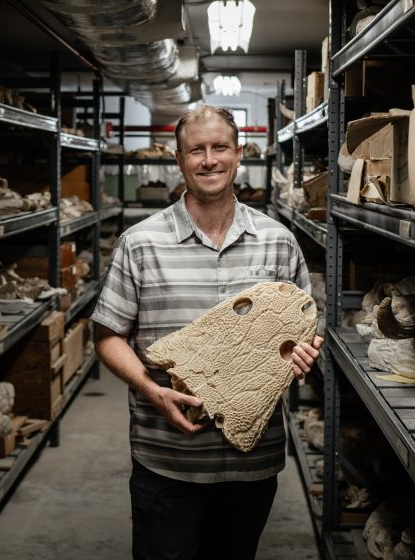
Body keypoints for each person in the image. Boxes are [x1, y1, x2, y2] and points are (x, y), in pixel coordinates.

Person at [91, 105, 324, 560]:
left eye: (220, 148)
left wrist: (303, 353)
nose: (209, 160)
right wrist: (150, 388)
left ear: (239, 155)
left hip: (252, 463)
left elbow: (303, 331)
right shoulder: (139, 243)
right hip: (167, 461)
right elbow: (107, 336)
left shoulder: (278, 241)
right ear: (179, 160)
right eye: (196, 150)